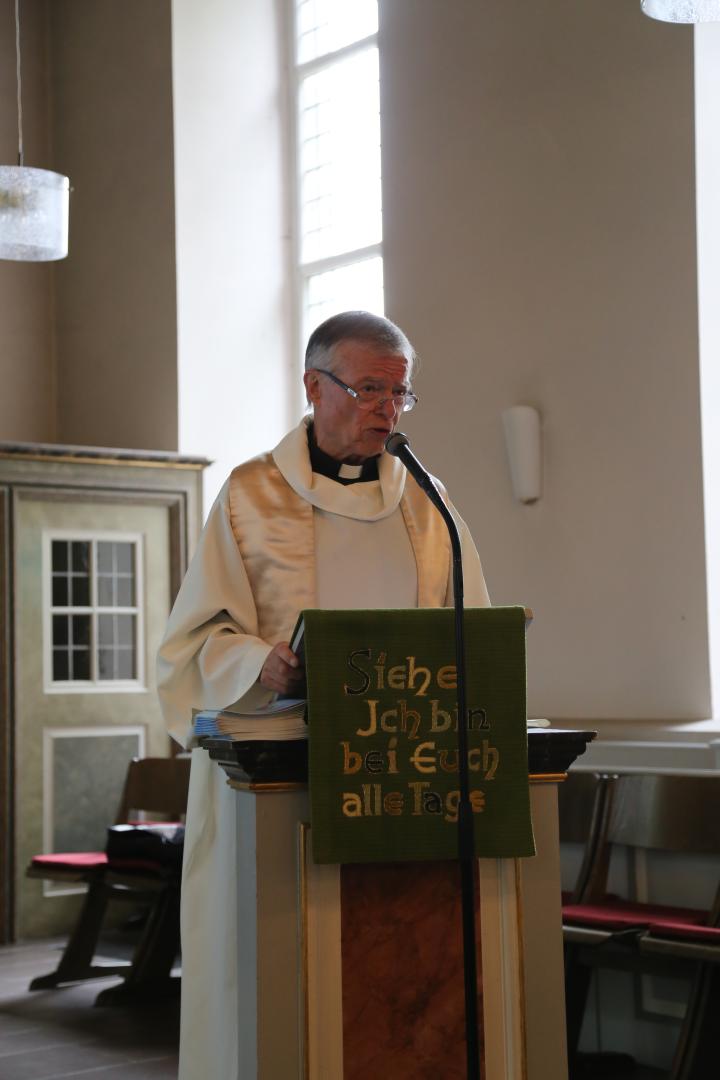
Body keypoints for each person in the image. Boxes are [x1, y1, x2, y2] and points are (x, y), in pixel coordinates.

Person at [156, 310, 490, 1079]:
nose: (387, 409)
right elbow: (188, 646)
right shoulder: (248, 496)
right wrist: (257, 663)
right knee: (275, 978)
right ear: (314, 386)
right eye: (371, 388)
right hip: (273, 782)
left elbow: (469, 632)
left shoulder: (427, 503)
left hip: (396, 780)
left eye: (401, 394)